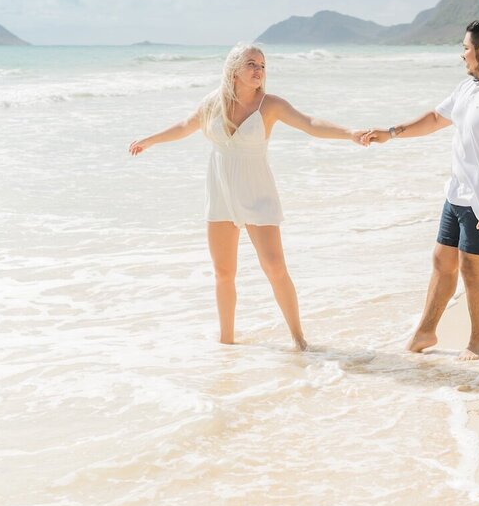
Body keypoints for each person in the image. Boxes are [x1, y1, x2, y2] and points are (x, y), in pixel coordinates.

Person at [129, 43, 366, 351]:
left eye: (263, 66)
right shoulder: (213, 103)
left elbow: (310, 124)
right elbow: (186, 125)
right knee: (223, 272)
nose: (259, 71)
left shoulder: (271, 105)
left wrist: (350, 133)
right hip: (220, 194)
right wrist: (150, 141)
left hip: (257, 193)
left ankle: (299, 339)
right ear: (234, 71)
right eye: (252, 64)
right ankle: (226, 342)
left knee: (275, 268)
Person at [362, 19, 479, 361]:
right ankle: (425, 332)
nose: (463, 55)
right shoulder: (470, 87)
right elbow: (436, 119)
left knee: (473, 270)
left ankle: (478, 341)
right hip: (457, 194)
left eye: (466, 49)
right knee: (442, 262)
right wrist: (391, 132)